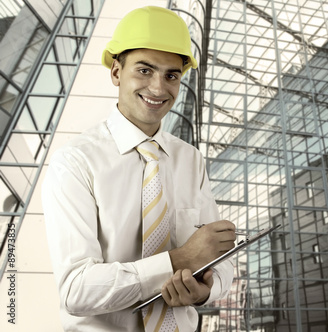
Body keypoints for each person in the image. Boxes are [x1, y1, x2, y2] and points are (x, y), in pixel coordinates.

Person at [42, 6, 235, 332]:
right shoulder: (74, 162)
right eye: (144, 70)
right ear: (117, 72)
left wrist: (205, 291)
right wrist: (180, 260)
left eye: (171, 75)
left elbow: (222, 265)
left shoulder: (191, 160)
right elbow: (76, 289)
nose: (159, 88)